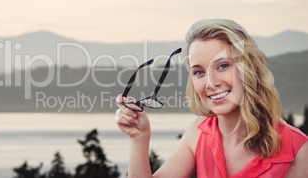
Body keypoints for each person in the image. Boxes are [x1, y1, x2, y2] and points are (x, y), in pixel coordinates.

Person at [115, 19, 308, 178]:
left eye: (222, 66)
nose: (211, 82)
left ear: (248, 69)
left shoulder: (299, 150)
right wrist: (139, 138)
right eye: (199, 71)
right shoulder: (199, 134)